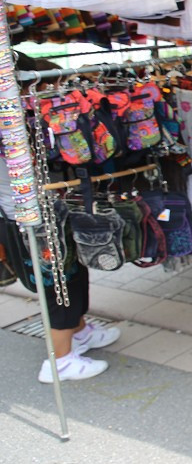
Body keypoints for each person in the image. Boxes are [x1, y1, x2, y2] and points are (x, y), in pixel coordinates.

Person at [0, 52, 121, 382]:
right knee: (59, 285)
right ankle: (60, 361)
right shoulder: (13, 122)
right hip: (32, 218)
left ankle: (79, 332)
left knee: (73, 275)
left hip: (43, 211)